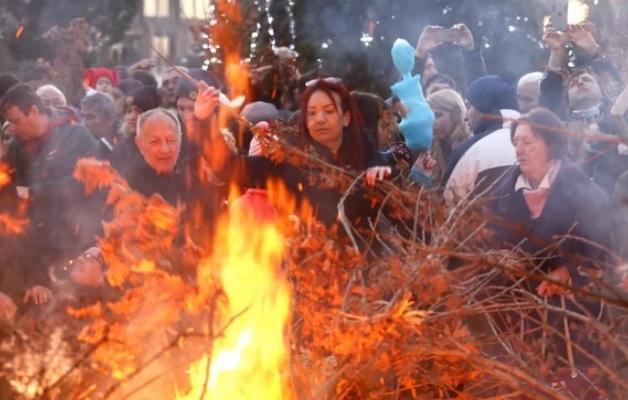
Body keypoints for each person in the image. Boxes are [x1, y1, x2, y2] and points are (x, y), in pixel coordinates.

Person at [486, 108, 612, 396]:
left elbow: (606, 250)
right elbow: (482, 242)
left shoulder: (586, 193)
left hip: (575, 323)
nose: (520, 149)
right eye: (516, 142)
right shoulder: (500, 195)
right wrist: (498, 259)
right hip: (519, 321)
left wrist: (570, 268)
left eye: (529, 142)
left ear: (551, 144)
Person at [194, 78, 399, 243]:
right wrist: (204, 123)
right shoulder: (290, 164)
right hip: (309, 276)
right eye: (312, 113)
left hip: (365, 279)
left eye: (328, 111)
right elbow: (228, 168)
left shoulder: (370, 160)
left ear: (345, 117)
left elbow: (402, 214)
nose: (319, 119)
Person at [0, 84, 103, 286]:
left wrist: (33, 193)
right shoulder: (17, 146)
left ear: (34, 111)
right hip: (31, 248)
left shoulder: (77, 136)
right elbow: (9, 185)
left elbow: (82, 183)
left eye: (15, 121)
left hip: (72, 244)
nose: (11, 128)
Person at [540, 24, 628, 196]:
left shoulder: (619, 116)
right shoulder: (561, 130)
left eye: (587, 80)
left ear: (604, 94)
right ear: (569, 104)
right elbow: (547, 104)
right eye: (573, 84)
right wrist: (557, 53)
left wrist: (593, 51)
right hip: (577, 208)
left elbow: (619, 84)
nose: (579, 82)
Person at [442, 74, 520, 204]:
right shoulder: (544, 142)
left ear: (484, 108)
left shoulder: (469, 150)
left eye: (469, 106)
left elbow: (446, 206)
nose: (465, 116)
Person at [413, 89, 469, 185]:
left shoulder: (472, 147)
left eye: (438, 115)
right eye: (429, 117)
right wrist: (421, 178)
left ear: (456, 115)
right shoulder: (430, 151)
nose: (432, 122)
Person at [109, 86, 161, 176]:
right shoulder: (120, 149)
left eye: (139, 111)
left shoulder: (164, 148)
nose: (132, 117)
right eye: (128, 111)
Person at [80, 92, 121, 157]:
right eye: (82, 116)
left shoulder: (126, 147)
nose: (84, 123)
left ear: (110, 120)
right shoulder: (79, 144)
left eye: (90, 117)